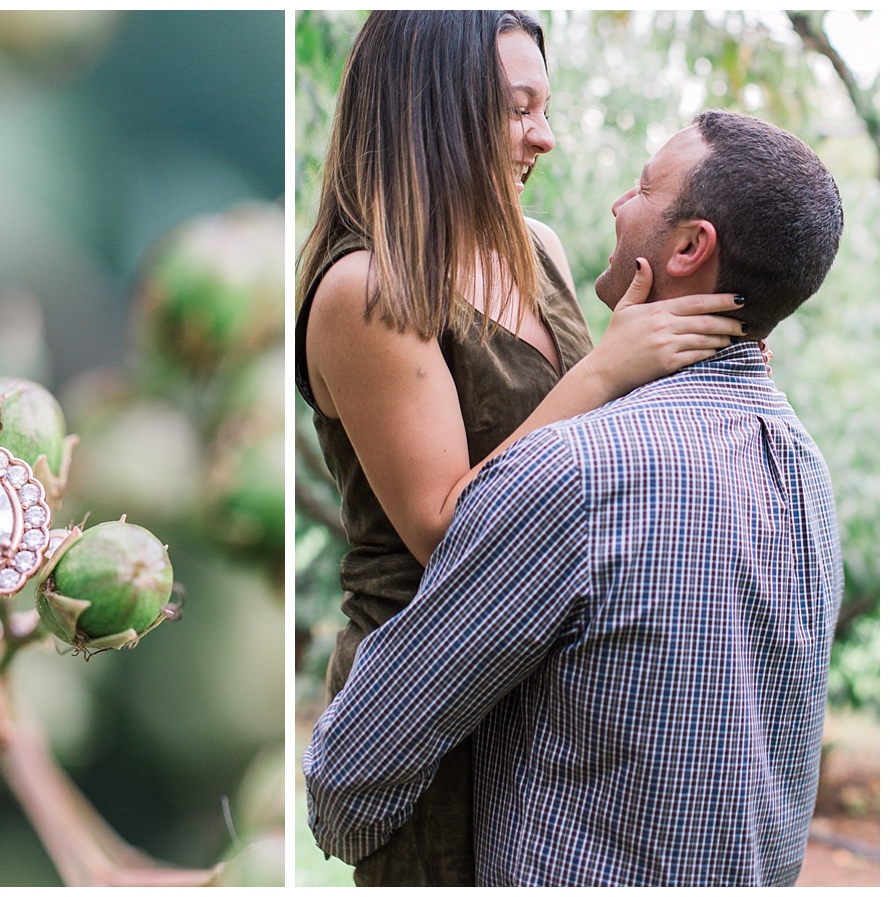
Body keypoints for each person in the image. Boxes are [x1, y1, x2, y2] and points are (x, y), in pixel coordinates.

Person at [302, 108, 845, 887]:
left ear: (690, 247)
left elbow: (348, 777)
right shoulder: (805, 471)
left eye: (641, 188)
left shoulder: (578, 475)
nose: (617, 205)